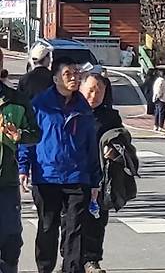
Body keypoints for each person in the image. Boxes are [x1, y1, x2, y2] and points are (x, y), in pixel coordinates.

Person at [18, 57, 99, 273]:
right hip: (46, 175)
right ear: (55, 78)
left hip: (77, 175)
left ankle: (71, 269)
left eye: (76, 73)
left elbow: (92, 144)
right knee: (47, 227)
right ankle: (45, 268)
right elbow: (28, 138)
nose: (74, 78)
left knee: (75, 228)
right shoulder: (39, 105)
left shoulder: (83, 107)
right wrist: (23, 168)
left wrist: (95, 179)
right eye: (68, 74)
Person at [78, 73, 123, 273]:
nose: (94, 95)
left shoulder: (110, 116)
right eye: (90, 89)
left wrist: (115, 150)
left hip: (100, 176)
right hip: (73, 174)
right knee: (71, 220)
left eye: (100, 91)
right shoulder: (71, 110)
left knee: (97, 219)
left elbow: (122, 140)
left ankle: (91, 260)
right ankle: (70, 259)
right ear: (81, 89)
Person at [0, 76, 41, 273]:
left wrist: (20, 135)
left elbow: (35, 133)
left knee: (11, 237)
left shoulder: (17, 100)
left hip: (6, 180)